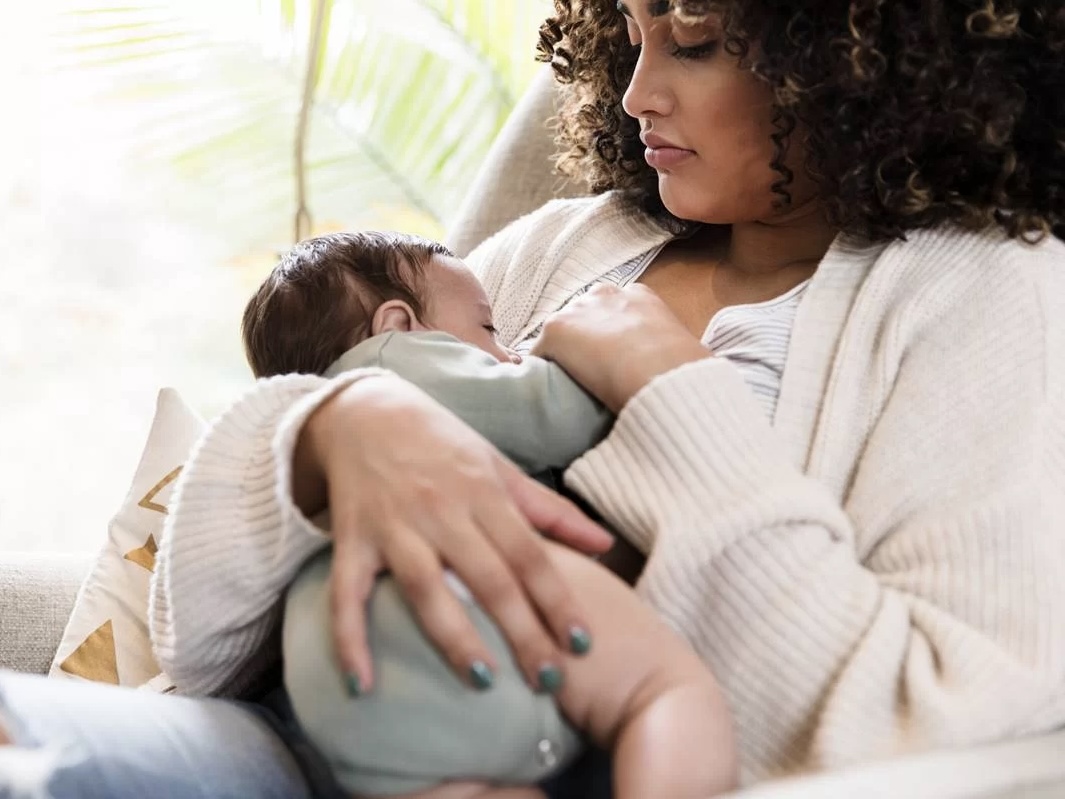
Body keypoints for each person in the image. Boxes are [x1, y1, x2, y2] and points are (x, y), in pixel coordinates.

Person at [1, 0, 1062, 796]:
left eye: (691, 39)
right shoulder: (574, 243)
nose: (640, 91)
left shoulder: (991, 295)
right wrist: (335, 429)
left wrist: (668, 400)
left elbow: (939, 736)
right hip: (292, 742)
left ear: (859, 61)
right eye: (633, 33)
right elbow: (195, 640)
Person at [240, 229, 736, 798]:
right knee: (664, 689)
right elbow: (555, 413)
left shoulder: (303, 430)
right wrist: (614, 348)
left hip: (340, 681)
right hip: (457, 602)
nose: (510, 352)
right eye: (489, 329)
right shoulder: (393, 366)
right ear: (398, 325)